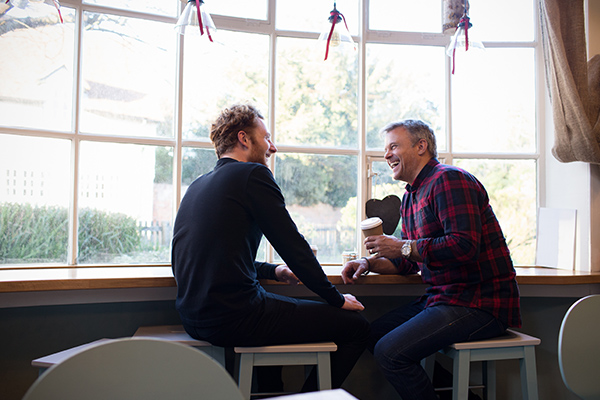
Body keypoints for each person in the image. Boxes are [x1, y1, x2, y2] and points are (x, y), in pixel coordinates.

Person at [172, 104, 370, 390]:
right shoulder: (252, 175)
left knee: (274, 314)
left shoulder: (198, 185)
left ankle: (270, 393)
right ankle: (306, 399)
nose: (272, 147)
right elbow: (292, 244)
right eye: (266, 138)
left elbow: (211, 257)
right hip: (236, 316)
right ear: (244, 139)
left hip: (194, 318)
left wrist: (274, 271)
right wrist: (335, 297)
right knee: (358, 328)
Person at [341, 119, 521, 400]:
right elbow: (409, 259)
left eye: (393, 146)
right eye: (385, 148)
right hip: (442, 299)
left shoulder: (449, 180)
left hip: (479, 303)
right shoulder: (412, 196)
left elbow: (463, 246)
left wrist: (402, 247)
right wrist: (369, 263)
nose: (386, 154)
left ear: (421, 146)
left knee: (390, 353)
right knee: (371, 334)